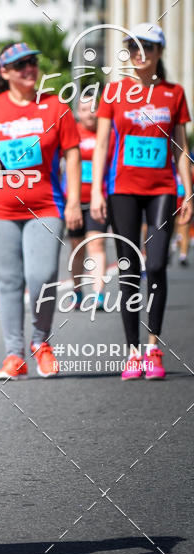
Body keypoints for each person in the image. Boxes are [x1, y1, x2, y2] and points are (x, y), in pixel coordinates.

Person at [0, 42, 82, 380]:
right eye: (20, 65)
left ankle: (41, 343)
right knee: (10, 282)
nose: (29, 69)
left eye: (32, 62)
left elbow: (72, 153)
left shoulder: (56, 106)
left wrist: (73, 201)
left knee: (41, 277)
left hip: (46, 206)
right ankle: (14, 355)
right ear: (5, 73)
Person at [90, 23, 193, 380]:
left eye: (147, 48)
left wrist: (188, 190)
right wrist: (95, 191)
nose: (139, 54)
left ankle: (154, 346)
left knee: (159, 263)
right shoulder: (114, 92)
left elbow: (181, 147)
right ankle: (133, 350)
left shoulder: (174, 93)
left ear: (160, 53)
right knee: (129, 266)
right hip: (123, 189)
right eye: (132, 47)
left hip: (163, 188)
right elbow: (102, 145)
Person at [65, 95, 110, 310]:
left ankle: (98, 293)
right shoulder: (71, 133)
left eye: (93, 108)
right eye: (84, 109)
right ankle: (77, 290)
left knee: (96, 243)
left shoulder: (107, 133)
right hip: (74, 201)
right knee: (78, 248)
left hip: (98, 199)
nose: (90, 113)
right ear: (78, 113)